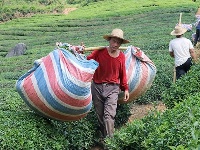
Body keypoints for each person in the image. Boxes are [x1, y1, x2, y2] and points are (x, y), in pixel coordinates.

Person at [87, 28, 130, 138]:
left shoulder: (121, 56)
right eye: (114, 41)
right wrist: (81, 51)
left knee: (109, 116)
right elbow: (87, 60)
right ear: (109, 40)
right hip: (97, 87)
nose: (115, 44)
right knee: (100, 116)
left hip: (113, 88)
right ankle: (105, 138)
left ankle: (111, 141)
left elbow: (122, 74)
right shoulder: (99, 52)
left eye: (118, 42)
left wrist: (125, 89)